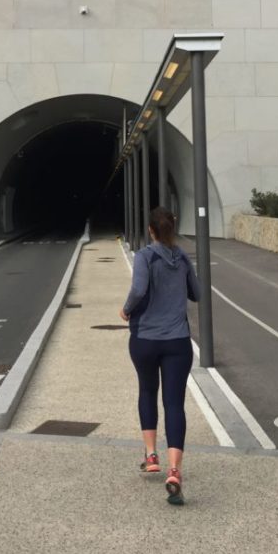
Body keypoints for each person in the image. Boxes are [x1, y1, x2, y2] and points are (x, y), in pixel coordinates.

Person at [120, 206, 200, 506]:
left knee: (147, 391)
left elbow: (139, 288)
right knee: (174, 403)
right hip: (177, 341)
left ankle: (151, 455)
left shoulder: (144, 256)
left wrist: (127, 309)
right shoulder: (181, 258)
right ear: (172, 229)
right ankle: (175, 471)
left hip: (145, 339)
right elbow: (197, 293)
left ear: (151, 230)